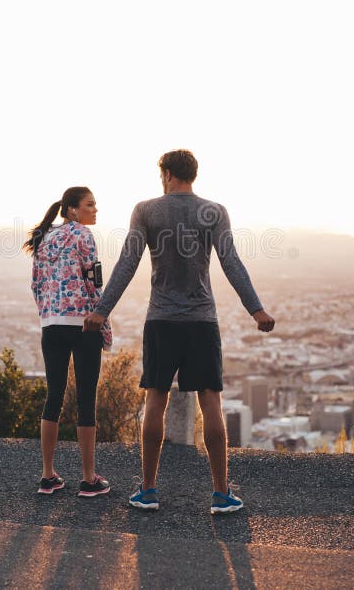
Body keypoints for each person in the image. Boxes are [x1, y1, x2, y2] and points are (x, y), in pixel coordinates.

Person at [84, 149, 275, 515]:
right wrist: (256, 309)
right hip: (202, 320)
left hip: (161, 320)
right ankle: (221, 493)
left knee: (156, 400)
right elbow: (231, 261)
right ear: (193, 175)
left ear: (167, 173)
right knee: (211, 402)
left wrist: (101, 311)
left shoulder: (145, 210)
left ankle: (149, 490)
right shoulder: (215, 211)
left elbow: (127, 262)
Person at [25, 186, 113, 498]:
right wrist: (103, 323)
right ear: (72, 209)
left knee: (54, 396)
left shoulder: (44, 237)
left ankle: (47, 476)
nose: (96, 210)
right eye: (90, 205)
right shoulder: (83, 236)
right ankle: (89, 479)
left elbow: (36, 284)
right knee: (85, 399)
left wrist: (50, 314)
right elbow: (93, 284)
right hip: (82, 325)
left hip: (51, 325)